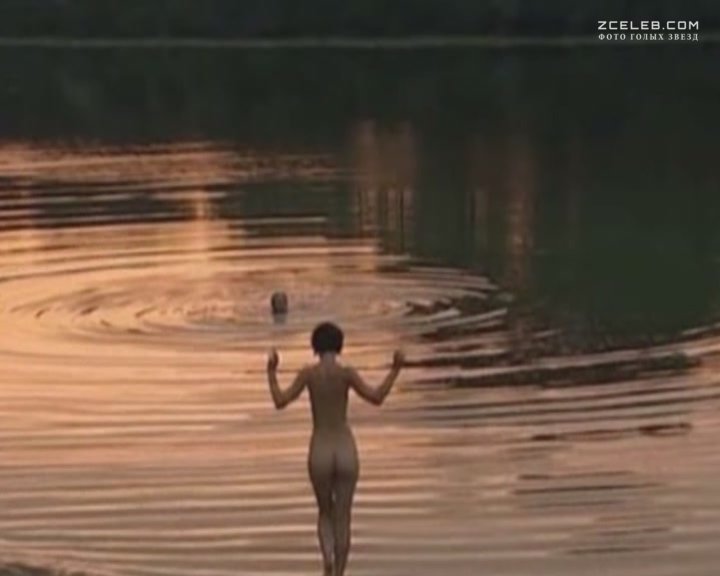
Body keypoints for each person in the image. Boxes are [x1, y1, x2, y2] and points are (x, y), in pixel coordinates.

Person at [266, 322, 404, 576]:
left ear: (315, 346)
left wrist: (272, 372)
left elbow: (280, 400)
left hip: (320, 449)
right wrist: (395, 369)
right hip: (345, 449)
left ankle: (327, 561)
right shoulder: (346, 374)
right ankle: (339, 572)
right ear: (340, 345)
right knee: (343, 517)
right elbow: (377, 397)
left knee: (325, 513)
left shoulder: (308, 374)